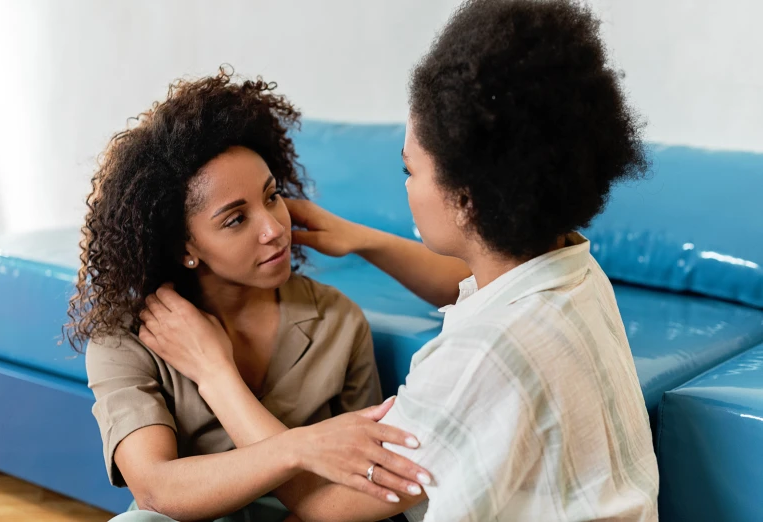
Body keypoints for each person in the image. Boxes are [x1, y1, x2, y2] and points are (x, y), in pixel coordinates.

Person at [138, 0, 660, 520]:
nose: (405, 185)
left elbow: (326, 503)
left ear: (466, 198)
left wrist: (213, 372)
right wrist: (362, 240)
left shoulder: (478, 358)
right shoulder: (574, 272)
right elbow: (474, 283)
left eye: (410, 169)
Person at [64, 69, 431, 522]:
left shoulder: (337, 321)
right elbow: (156, 488)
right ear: (185, 248)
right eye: (235, 220)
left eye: (272, 196)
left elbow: (356, 488)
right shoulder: (126, 336)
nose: (275, 229)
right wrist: (300, 447)